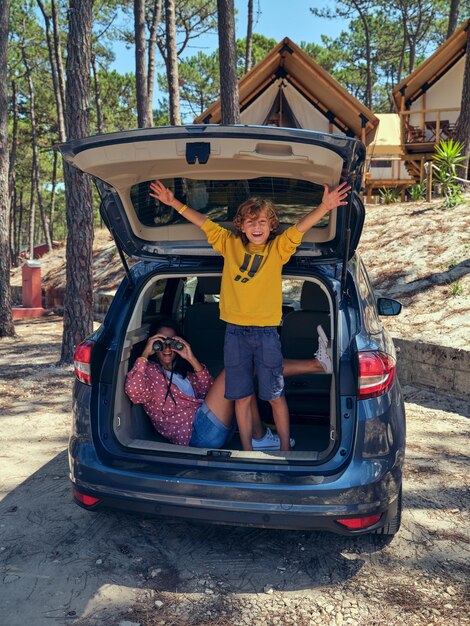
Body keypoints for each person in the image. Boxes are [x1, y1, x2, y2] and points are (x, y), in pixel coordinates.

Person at [148, 180, 350, 452]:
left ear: (272, 227)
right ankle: (247, 451)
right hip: (235, 333)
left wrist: (324, 207)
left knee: (275, 396)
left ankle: (285, 451)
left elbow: (299, 228)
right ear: (241, 226)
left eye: (263, 222)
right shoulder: (229, 243)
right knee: (241, 396)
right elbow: (204, 222)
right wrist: (173, 202)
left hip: (266, 333)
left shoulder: (277, 249)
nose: (257, 227)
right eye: (251, 222)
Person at [125, 318, 326, 451]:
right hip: (197, 435)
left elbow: (209, 389)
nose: (167, 349)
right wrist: (144, 354)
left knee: (243, 375)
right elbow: (134, 393)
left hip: (215, 426)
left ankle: (259, 437)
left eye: (173, 342)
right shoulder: (148, 371)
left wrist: (191, 358)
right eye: (162, 343)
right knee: (236, 371)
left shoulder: (181, 370)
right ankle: (318, 365)